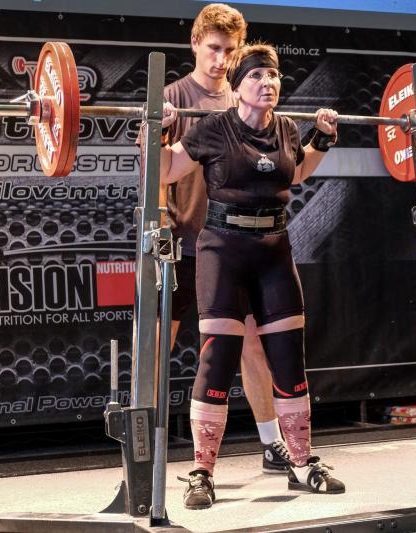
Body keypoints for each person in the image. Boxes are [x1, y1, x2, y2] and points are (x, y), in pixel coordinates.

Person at [161, 42, 345, 509]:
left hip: (274, 253)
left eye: (273, 75)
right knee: (218, 360)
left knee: (288, 360)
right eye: (257, 76)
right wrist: (157, 131)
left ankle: (301, 463)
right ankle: (202, 472)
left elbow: (296, 172)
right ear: (238, 87)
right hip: (223, 251)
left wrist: (322, 139)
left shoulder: (286, 128)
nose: (268, 83)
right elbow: (164, 170)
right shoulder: (214, 128)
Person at [139, 3, 290, 474]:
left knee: (252, 345)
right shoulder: (173, 97)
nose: (222, 60)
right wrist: (156, 130)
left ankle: (273, 446)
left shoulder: (245, 95)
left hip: (234, 247)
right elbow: (155, 170)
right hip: (183, 244)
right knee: (157, 346)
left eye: (230, 50)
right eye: (214, 48)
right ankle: (147, 451)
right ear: (195, 44)